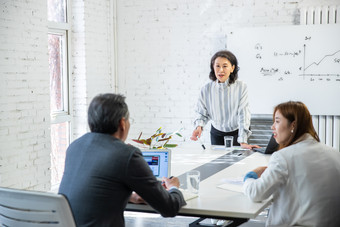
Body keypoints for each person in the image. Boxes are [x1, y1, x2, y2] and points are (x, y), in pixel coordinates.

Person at [58, 93, 186, 227]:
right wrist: (173, 188)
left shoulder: (75, 146)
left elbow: (88, 189)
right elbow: (169, 208)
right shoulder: (126, 155)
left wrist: (129, 196)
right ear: (122, 123)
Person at [243, 101, 340, 226]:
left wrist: (250, 176)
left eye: (277, 121)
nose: (272, 127)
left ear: (293, 125)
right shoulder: (335, 153)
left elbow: (255, 193)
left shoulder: (283, 157)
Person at [190, 50, 259, 149]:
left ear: (232, 68)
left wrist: (243, 141)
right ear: (213, 67)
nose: (221, 70)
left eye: (225, 66)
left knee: (236, 161)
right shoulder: (206, 89)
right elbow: (201, 113)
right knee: (217, 162)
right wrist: (199, 127)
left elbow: (243, 114)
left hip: (236, 132)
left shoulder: (241, 86)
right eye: (217, 66)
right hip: (216, 133)